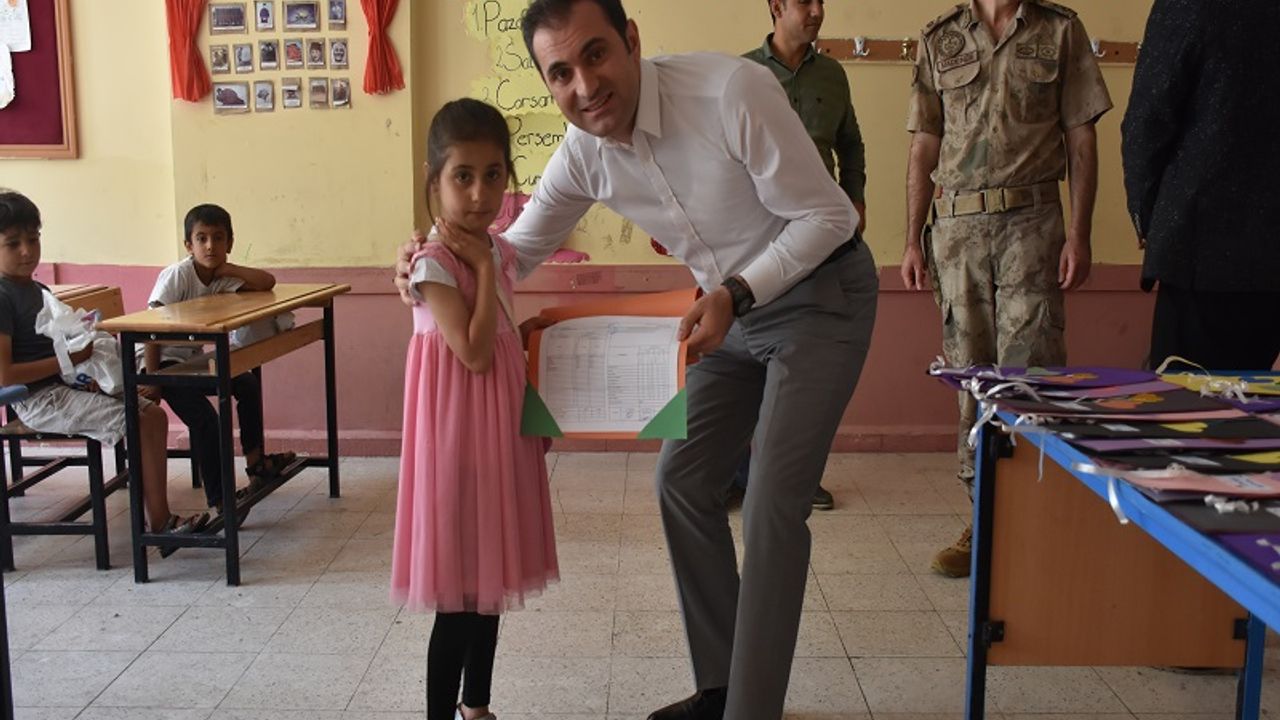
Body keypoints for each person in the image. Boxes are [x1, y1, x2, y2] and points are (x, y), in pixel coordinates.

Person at [396, 2, 876, 717]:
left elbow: (830, 216)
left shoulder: (731, 92)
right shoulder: (583, 152)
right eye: (560, 73)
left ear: (631, 41)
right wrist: (430, 254)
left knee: (772, 504)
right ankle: (720, 688)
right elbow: (513, 250)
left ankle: (751, 710)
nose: (585, 86)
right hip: (728, 310)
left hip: (819, 293)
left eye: (595, 55)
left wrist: (738, 292)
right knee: (681, 480)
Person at [900, 0, 1111, 578]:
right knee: (971, 378)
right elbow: (924, 143)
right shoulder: (940, 38)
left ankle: (1037, 523)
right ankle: (983, 519)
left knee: (1031, 377)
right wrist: (912, 239)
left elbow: (1082, 138)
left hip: (1032, 227)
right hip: (958, 232)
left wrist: (1079, 235)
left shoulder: (1061, 31)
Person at [390, 98, 559, 720]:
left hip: (498, 433)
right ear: (433, 180)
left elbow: (500, 337)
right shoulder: (435, 262)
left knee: (491, 584)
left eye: (493, 175)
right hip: (456, 440)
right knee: (459, 600)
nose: (480, 193)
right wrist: (484, 269)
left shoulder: (499, 252)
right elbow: (474, 353)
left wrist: (525, 320)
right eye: (462, 176)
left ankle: (477, 706)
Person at [0, 191, 206, 553]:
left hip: (63, 385)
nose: (27, 251)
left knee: (153, 415)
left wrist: (88, 372)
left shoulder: (38, 290)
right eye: (13, 243)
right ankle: (160, 524)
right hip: (36, 399)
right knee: (140, 420)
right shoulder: (2, 297)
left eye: (33, 239)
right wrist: (70, 360)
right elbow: (5, 375)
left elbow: (59, 347)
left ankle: (160, 521)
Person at [728, 0, 870, 512]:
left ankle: (796, 478)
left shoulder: (833, 75)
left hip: (819, 240)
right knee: (752, 364)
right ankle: (740, 476)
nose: (817, 11)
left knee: (806, 365)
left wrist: (855, 199)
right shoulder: (741, 75)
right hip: (758, 240)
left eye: (821, 2)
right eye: (804, 2)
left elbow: (851, 146)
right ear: (775, 7)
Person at [1121, 0, 1280, 372]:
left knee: (1184, 398)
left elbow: (1146, 124)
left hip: (1198, 245)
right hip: (1262, 253)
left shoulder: (1188, 5)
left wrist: (1148, 216)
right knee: (1257, 401)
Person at [142, 204, 296, 522]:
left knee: (247, 383)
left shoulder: (220, 277)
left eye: (218, 238)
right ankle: (221, 500)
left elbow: (266, 281)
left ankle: (256, 465)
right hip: (162, 365)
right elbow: (149, 327)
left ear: (230, 242)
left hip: (192, 361)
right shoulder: (178, 275)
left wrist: (231, 269)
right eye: (202, 239)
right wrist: (153, 379)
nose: (210, 246)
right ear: (189, 245)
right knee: (206, 421)